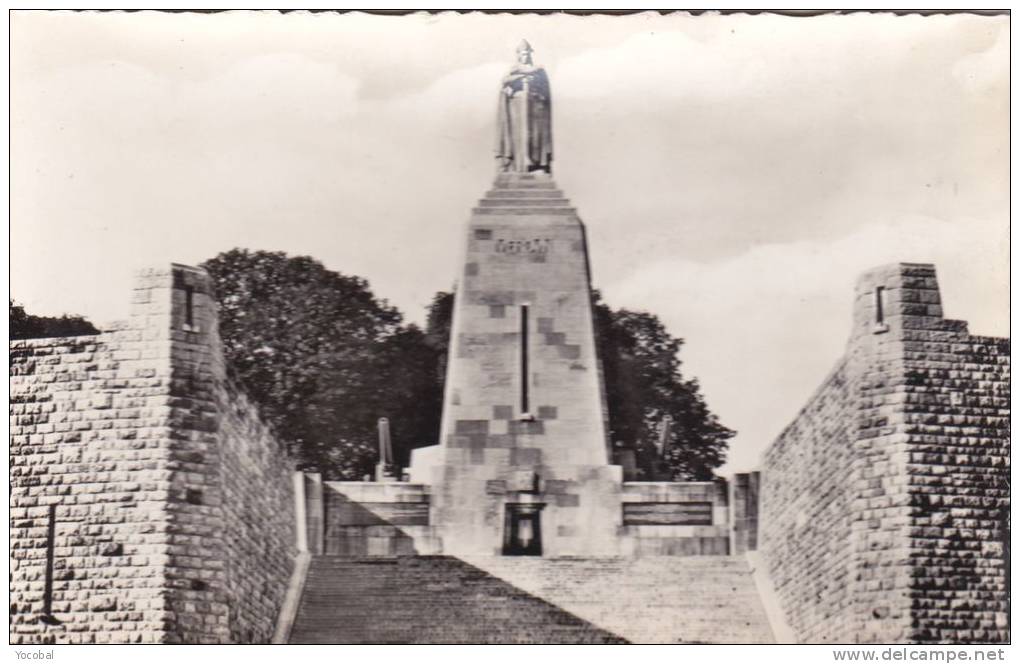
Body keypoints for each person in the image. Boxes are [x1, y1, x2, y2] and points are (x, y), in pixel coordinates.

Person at [495, 40, 553, 173]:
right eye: (522, 53)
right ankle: (516, 164)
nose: (525, 56)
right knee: (518, 136)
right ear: (518, 55)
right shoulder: (513, 71)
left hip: (535, 108)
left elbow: (544, 88)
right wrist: (523, 75)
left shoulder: (539, 71)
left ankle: (536, 164)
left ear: (530, 54)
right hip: (516, 107)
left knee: (535, 136)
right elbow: (505, 83)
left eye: (527, 53)